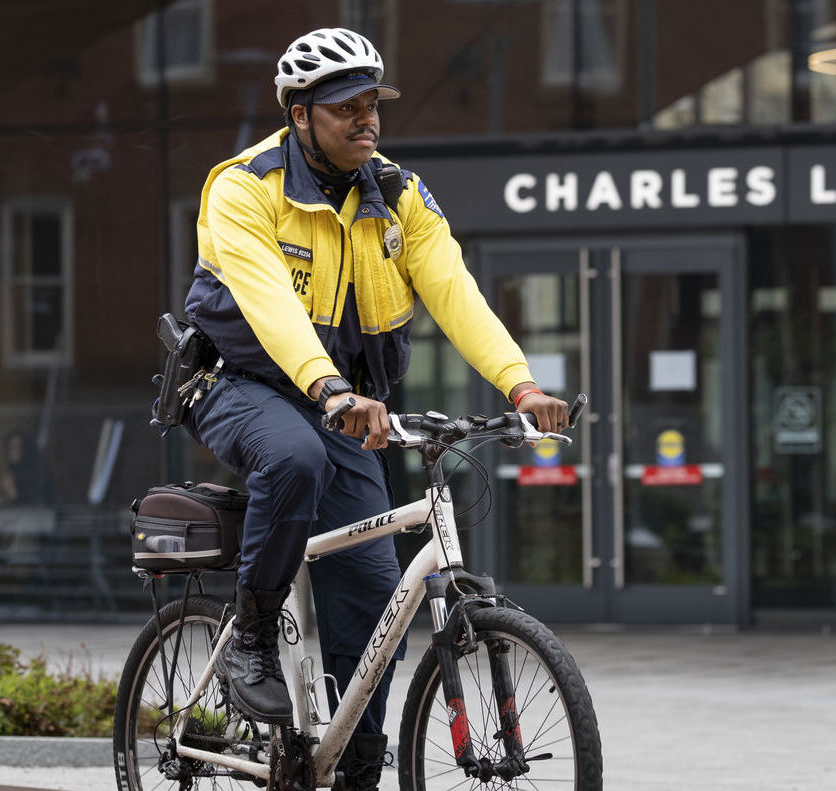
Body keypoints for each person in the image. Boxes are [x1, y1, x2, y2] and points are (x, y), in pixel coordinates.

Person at [180, 27, 569, 790]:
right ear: (299, 116)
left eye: (372, 105)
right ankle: (252, 636)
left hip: (345, 406)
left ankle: (354, 767)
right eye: (345, 109)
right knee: (291, 456)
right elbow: (269, 308)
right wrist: (328, 389)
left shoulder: (394, 194)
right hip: (238, 383)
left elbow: (455, 291)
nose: (368, 121)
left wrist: (518, 384)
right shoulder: (243, 189)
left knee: (371, 604)